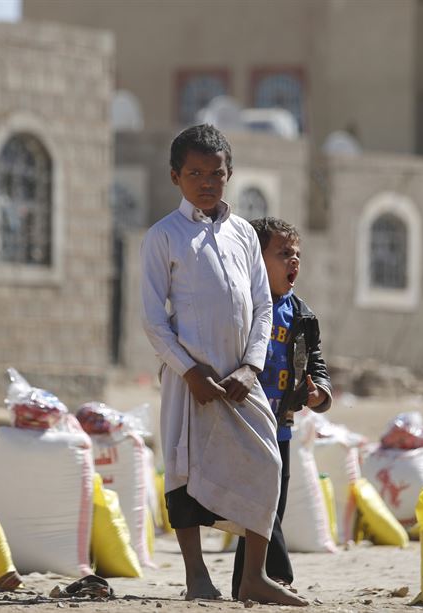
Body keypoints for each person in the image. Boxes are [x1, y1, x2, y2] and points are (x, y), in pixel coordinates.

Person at [140, 124, 306, 605]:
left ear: (229, 175)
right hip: (188, 379)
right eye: (195, 173)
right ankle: (196, 577)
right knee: (185, 471)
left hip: (240, 380)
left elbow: (262, 306)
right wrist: (189, 370)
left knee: (267, 463)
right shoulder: (163, 237)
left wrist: (251, 367)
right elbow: (153, 320)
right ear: (176, 177)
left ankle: (253, 577)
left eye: (216, 173)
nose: (207, 182)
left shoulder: (243, 236)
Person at [230, 217, 333, 599]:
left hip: (282, 425)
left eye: (297, 254)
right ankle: (278, 575)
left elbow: (317, 363)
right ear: (257, 259)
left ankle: (248, 582)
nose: (294, 261)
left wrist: (319, 393)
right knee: (261, 504)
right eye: (283, 253)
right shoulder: (243, 305)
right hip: (247, 422)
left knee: (273, 504)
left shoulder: (301, 314)